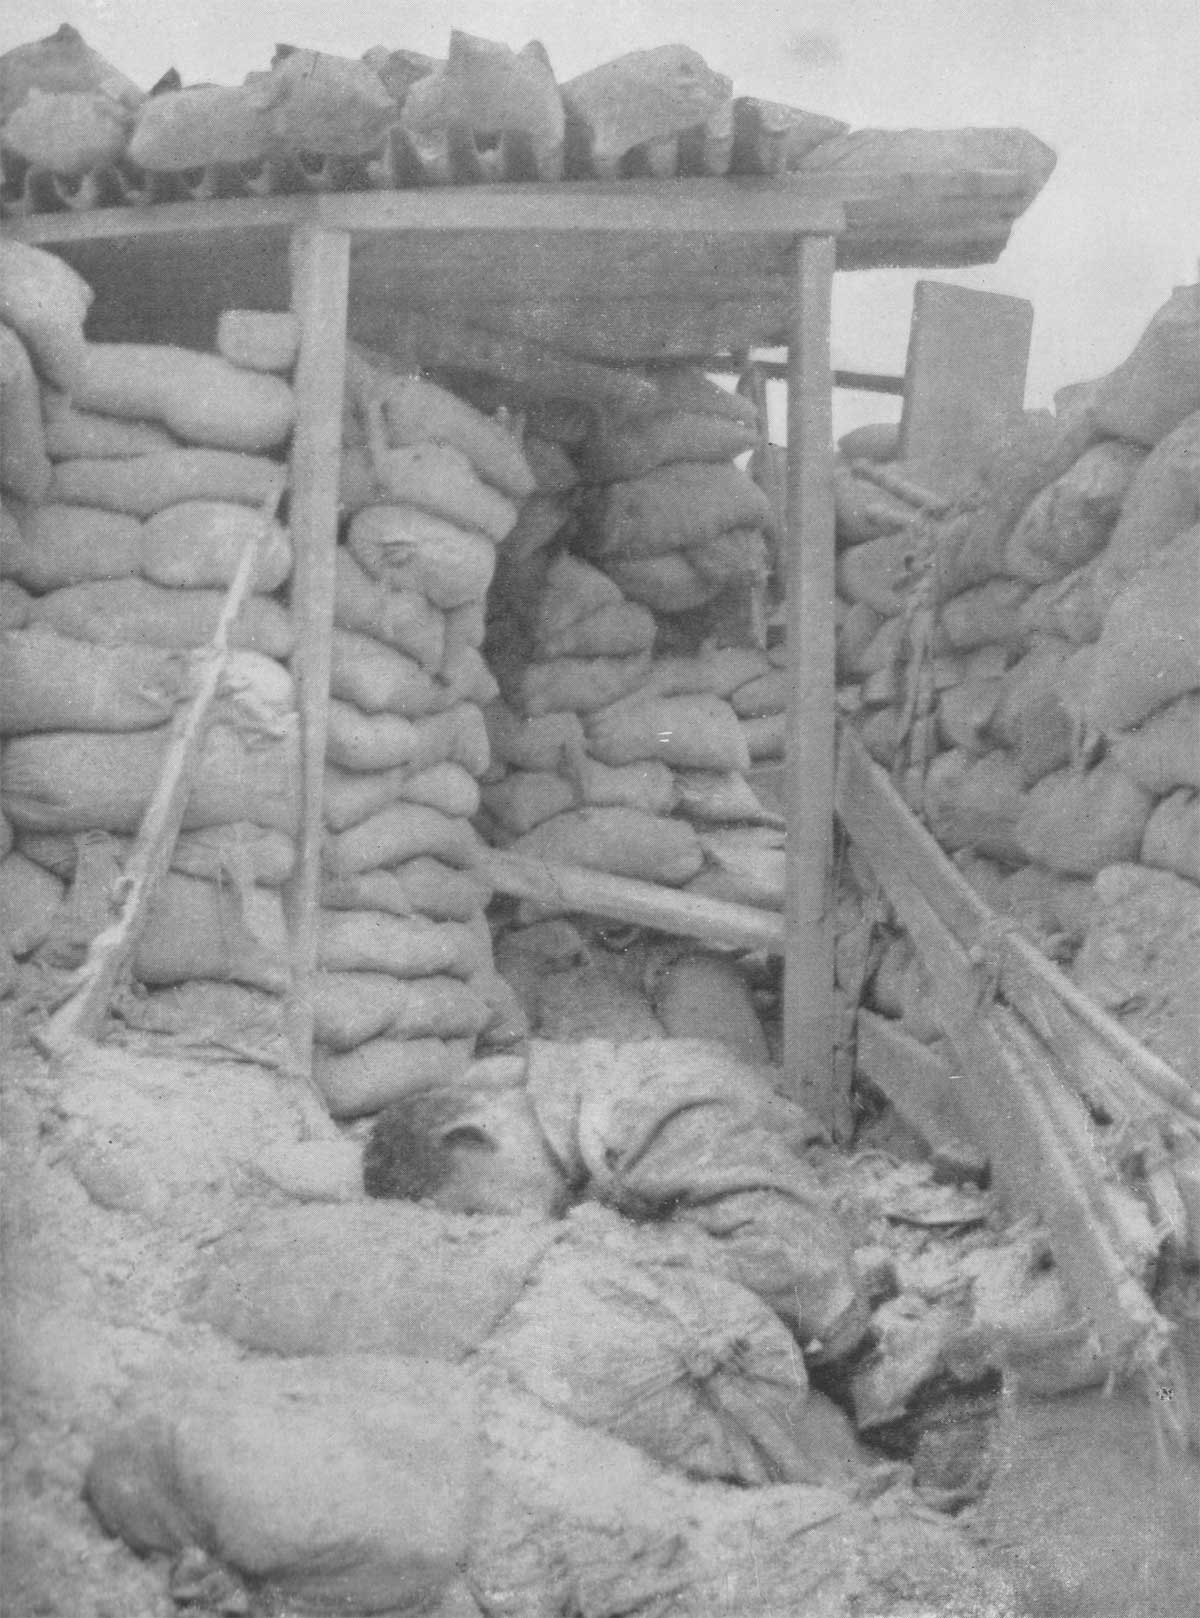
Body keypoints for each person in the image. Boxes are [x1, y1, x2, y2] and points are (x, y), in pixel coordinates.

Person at [364, 1037, 870, 1362]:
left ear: (471, 1137)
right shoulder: (580, 1102)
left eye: (476, 1213)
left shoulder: (634, 1116)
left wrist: (626, 1246)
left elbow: (814, 1282)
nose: (501, 1231)